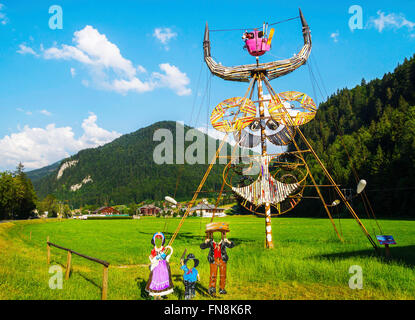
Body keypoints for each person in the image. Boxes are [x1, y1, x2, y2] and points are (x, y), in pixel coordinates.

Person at [200, 231, 234, 296]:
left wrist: (228, 241)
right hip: (213, 260)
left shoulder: (224, 242)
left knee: (223, 275)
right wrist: (205, 242)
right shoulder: (210, 242)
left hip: (222, 259)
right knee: (213, 275)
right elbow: (202, 247)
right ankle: (212, 289)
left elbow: (232, 245)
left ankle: (222, 289)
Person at [145, 232, 174, 299]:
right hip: (156, 267)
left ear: (162, 241)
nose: (158, 242)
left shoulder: (164, 249)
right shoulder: (153, 250)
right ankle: (155, 294)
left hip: (163, 267)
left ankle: (160, 294)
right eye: (156, 240)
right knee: (155, 279)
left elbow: (166, 256)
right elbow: (151, 257)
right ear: (154, 241)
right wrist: (155, 258)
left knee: (162, 279)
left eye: (160, 240)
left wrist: (166, 257)